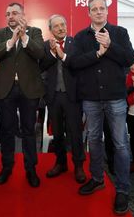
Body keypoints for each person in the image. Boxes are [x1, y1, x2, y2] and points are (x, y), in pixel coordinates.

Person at [68, 0, 134, 214]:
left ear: (107, 12)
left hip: (115, 97)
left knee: (120, 144)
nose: (98, 12)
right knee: (94, 141)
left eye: (101, 8)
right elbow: (73, 63)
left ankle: (123, 189)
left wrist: (111, 45)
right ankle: (97, 179)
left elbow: (129, 59)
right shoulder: (80, 37)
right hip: (91, 99)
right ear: (88, 13)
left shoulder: (120, 33)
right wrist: (98, 53)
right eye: (94, 9)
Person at [0, 2, 45, 188]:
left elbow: (39, 53)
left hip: (29, 88)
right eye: (8, 14)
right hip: (6, 89)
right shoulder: (0, 34)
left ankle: (31, 169)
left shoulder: (35, 32)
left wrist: (24, 37)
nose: (10, 16)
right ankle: (7, 167)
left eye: (14, 13)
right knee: (6, 130)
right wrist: (13, 40)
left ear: (23, 14)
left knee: (29, 130)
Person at [39, 14, 86, 183]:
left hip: (72, 96)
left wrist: (61, 53)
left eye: (63, 24)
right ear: (50, 29)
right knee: (57, 134)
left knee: (75, 133)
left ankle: (79, 165)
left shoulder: (76, 44)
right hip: (53, 96)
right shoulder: (46, 46)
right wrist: (52, 54)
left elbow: (79, 64)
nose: (61, 28)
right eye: (57, 26)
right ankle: (60, 163)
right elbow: (41, 66)